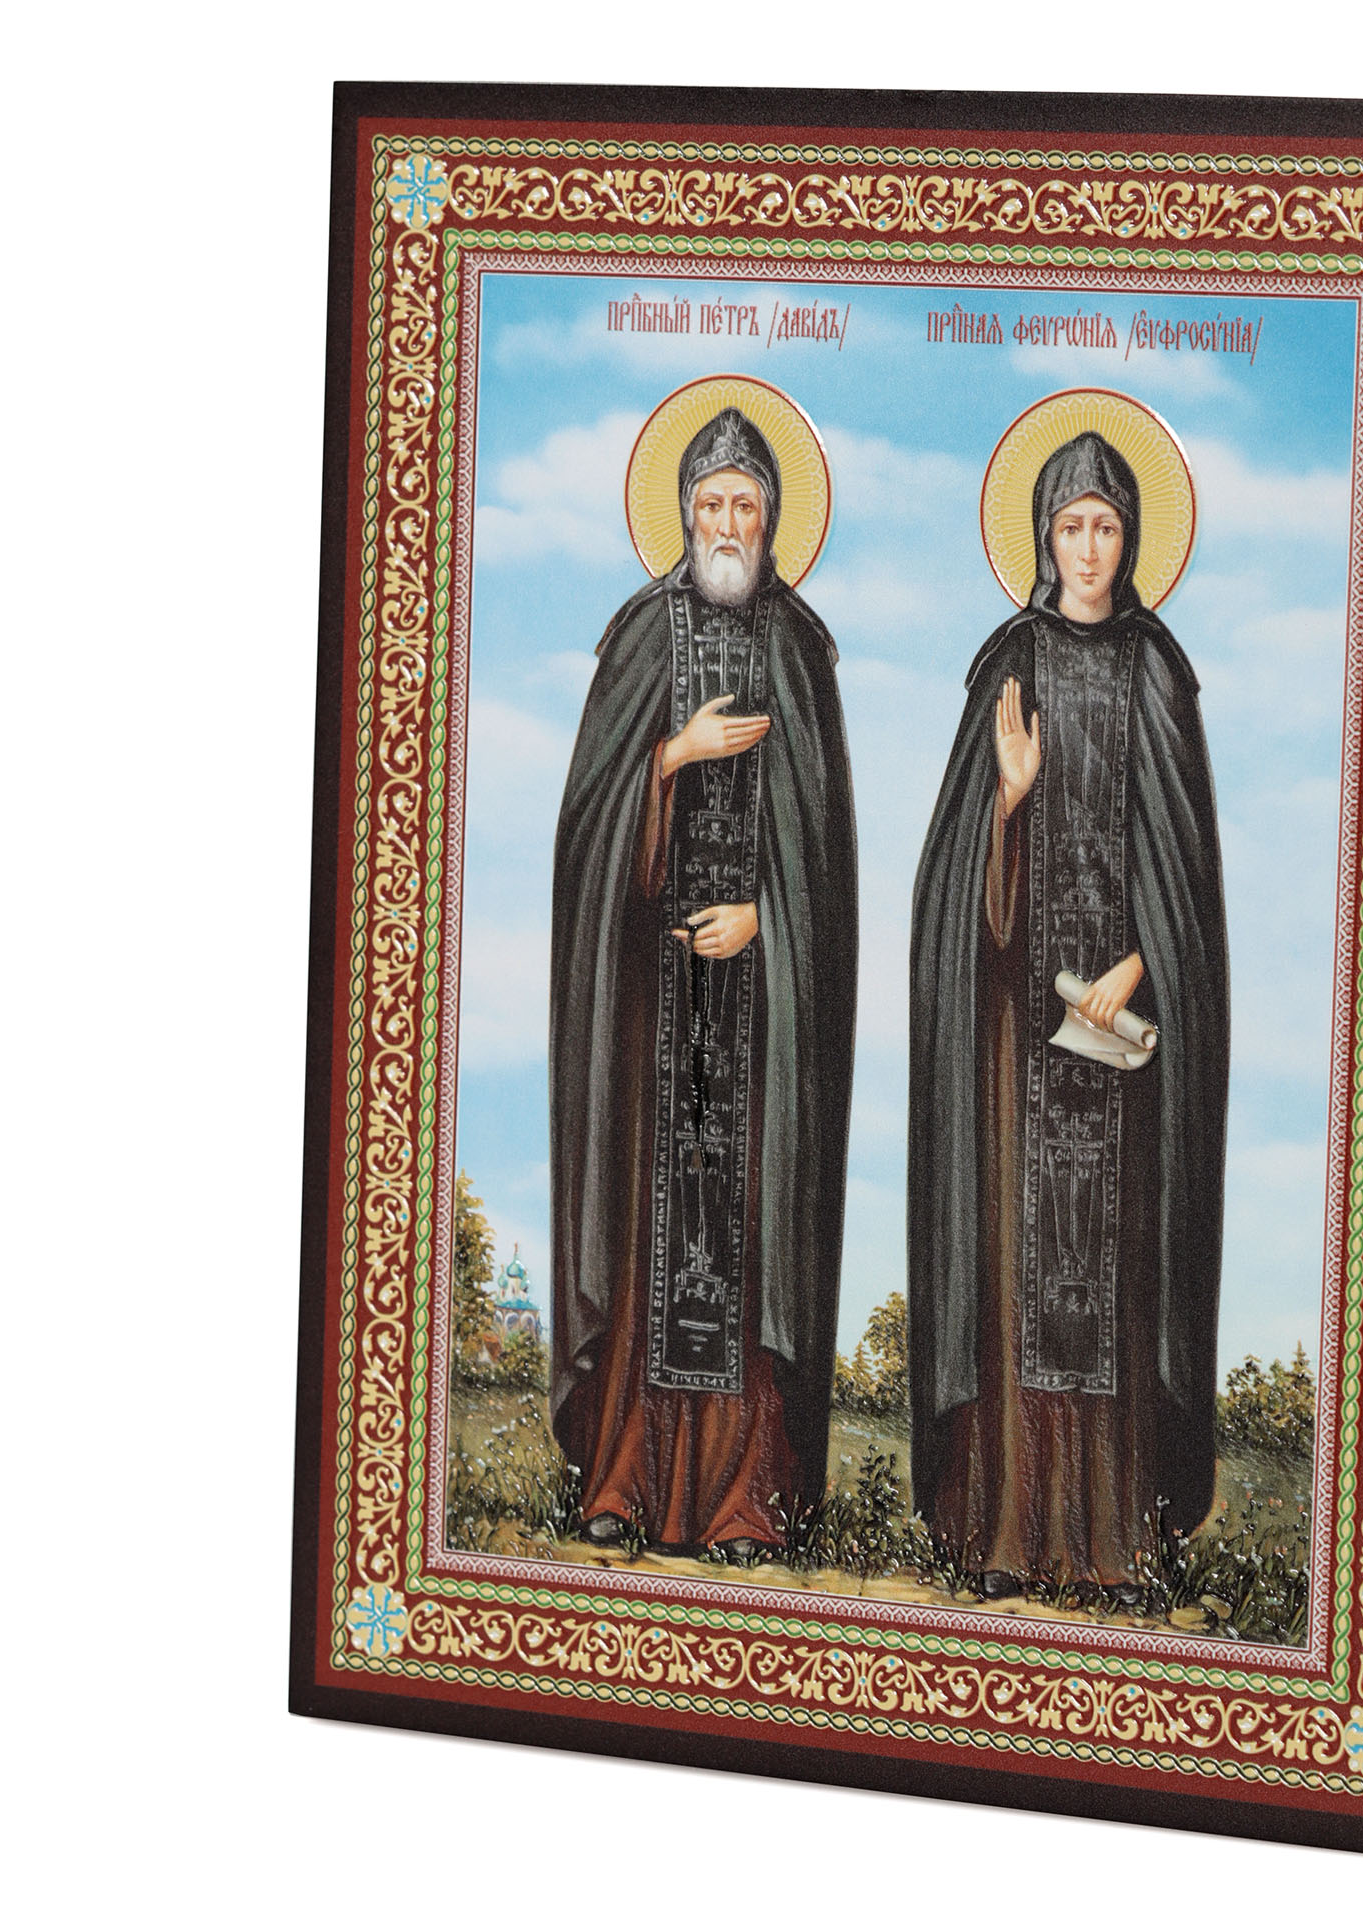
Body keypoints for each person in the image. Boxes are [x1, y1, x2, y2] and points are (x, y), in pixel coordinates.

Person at [907, 430, 1229, 1597]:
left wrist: (1140, 967)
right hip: (1021, 1048)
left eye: (1106, 527)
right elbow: (950, 886)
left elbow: (1186, 885)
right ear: (1044, 538)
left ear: (1130, 538)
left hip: (1126, 1052)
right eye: (1070, 527)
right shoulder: (1011, 660)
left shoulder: (1159, 672)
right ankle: (1010, 1533)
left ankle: (1115, 1543)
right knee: (1018, 1280)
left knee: (1114, 1285)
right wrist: (1008, 802)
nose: (1089, 550)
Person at [549, 406, 857, 1562]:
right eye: (712, 504)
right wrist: (670, 759)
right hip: (653, 1002)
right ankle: (625, 1483)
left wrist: (766, 916)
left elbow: (826, 860)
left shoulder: (801, 650)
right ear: (684, 515)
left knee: (748, 1247)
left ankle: (744, 1502)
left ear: (773, 520)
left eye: (747, 506)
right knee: (650, 1240)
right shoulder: (642, 634)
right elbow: (587, 830)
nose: (729, 524)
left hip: (759, 1016)